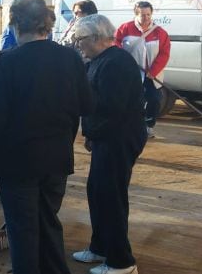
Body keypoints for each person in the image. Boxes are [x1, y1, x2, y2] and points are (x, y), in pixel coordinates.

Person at [0, 0, 92, 274]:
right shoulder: (71, 58)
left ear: (16, 25)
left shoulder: (10, 62)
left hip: (17, 163)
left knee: (23, 230)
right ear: (48, 25)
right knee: (48, 222)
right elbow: (87, 105)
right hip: (56, 160)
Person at [71, 14, 146, 274]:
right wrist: (91, 134)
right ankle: (101, 246)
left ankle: (121, 262)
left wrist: (93, 132)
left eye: (80, 39)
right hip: (106, 136)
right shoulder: (99, 60)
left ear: (95, 38)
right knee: (97, 192)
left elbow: (111, 109)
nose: (78, 44)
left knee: (111, 197)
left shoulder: (116, 63)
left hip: (118, 138)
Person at [115, 1, 171, 138]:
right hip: (130, 74)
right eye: (142, 15)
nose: (146, 18)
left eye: (148, 14)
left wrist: (153, 71)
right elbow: (115, 44)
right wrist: (124, 60)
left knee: (154, 100)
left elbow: (164, 53)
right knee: (129, 101)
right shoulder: (125, 28)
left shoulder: (160, 32)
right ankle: (127, 126)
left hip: (151, 75)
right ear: (136, 14)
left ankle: (148, 125)